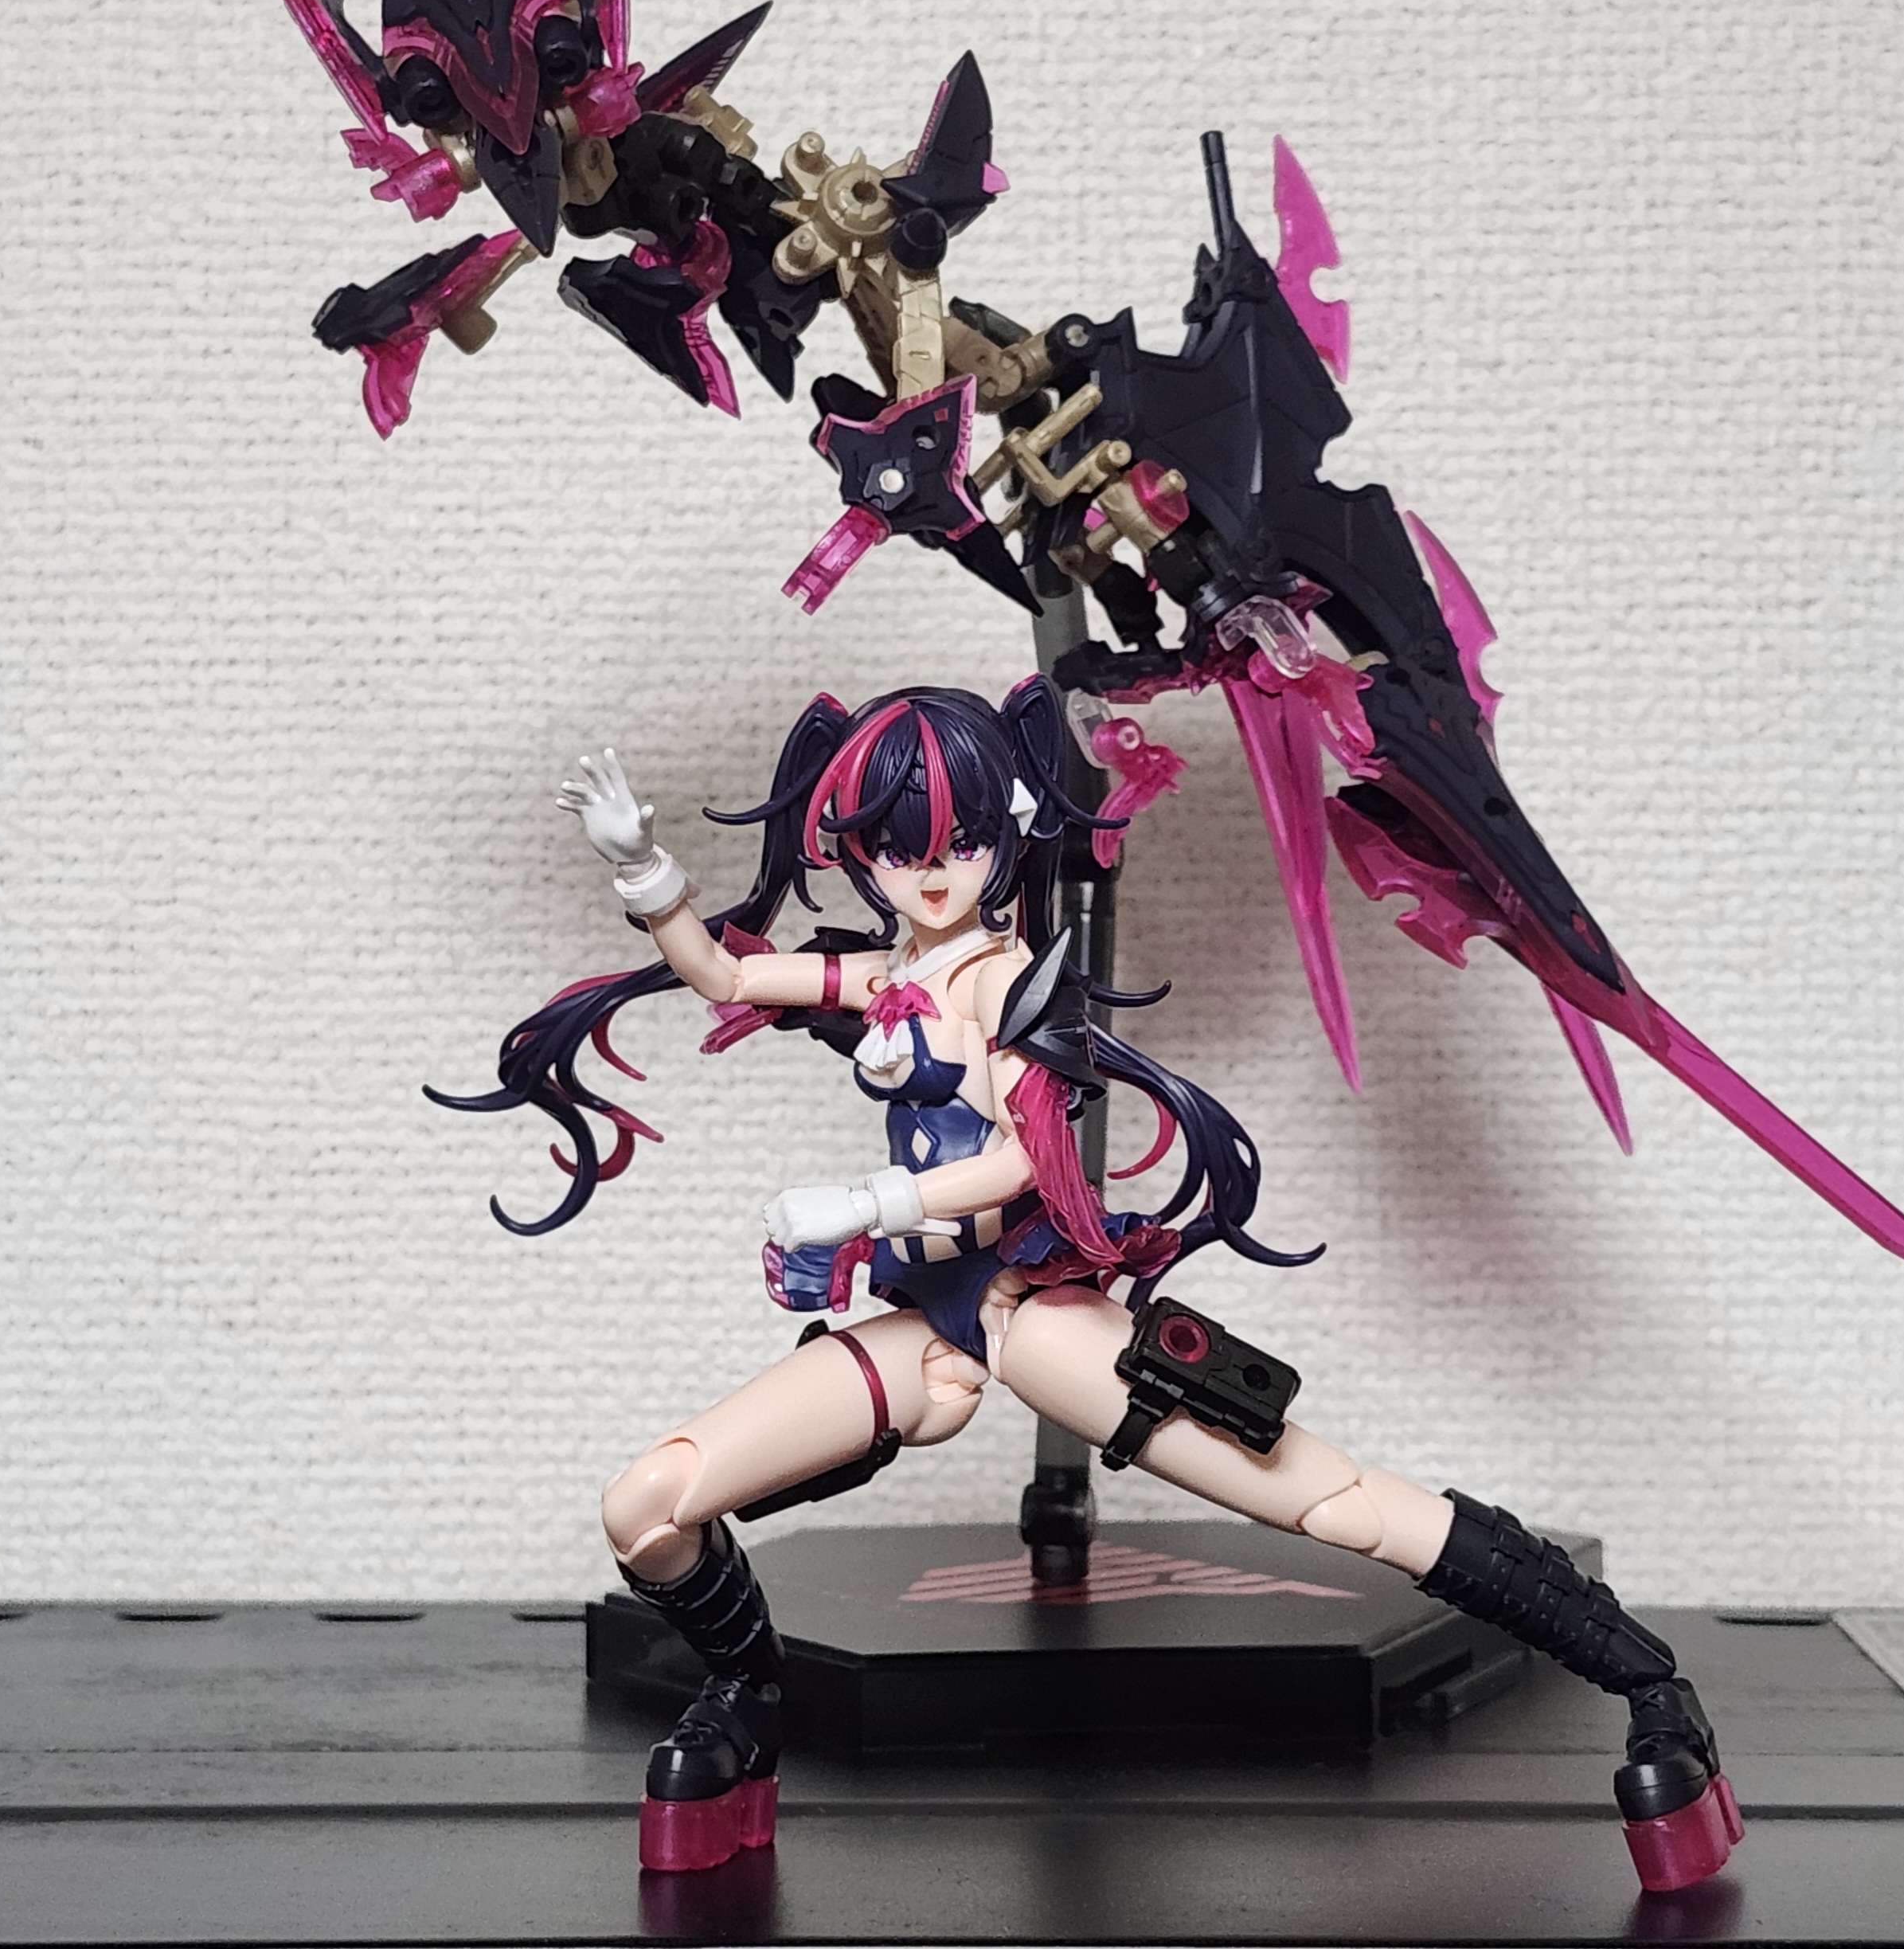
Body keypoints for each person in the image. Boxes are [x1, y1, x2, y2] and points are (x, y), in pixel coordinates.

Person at [436, 680, 1740, 1891]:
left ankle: (1648, 1684)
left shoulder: (1011, 983)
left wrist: (874, 1202)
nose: (929, 870)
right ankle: (746, 1696)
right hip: (925, 1329)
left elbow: (1023, 1152)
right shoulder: (889, 975)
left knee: (1321, 1497)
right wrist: (644, 869)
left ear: (1007, 829)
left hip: (1029, 1314)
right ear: (857, 847)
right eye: (896, 844)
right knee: (648, 1504)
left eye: (956, 840)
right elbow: (725, 973)